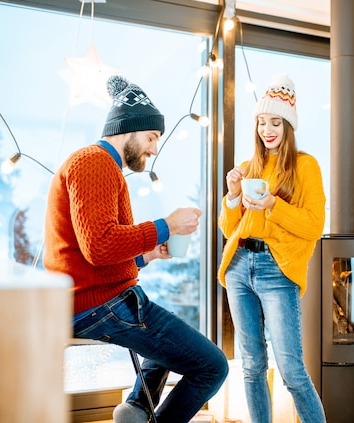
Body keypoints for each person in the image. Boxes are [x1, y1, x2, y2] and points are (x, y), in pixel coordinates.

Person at [43, 75, 228, 423]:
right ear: (129, 128)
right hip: (99, 305)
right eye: (152, 137)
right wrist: (167, 226)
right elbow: (100, 245)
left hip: (95, 299)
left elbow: (95, 254)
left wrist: (147, 255)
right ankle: (143, 410)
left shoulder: (104, 167)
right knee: (212, 366)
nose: (154, 149)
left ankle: (138, 408)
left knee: (171, 337)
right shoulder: (94, 163)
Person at [218, 75, 327, 423]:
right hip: (238, 267)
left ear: (288, 126)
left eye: (275, 122)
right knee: (250, 365)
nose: (268, 129)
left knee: (292, 369)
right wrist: (233, 195)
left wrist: (272, 205)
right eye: (262, 122)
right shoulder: (249, 166)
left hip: (277, 270)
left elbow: (314, 225)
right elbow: (228, 228)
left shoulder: (306, 166)